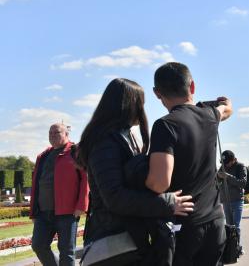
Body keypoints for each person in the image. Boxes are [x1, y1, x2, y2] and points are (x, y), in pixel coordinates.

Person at [77, 78, 194, 265]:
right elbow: (114, 197)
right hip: (114, 243)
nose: (143, 110)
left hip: (124, 239)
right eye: (141, 104)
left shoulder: (120, 136)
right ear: (128, 105)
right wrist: (167, 202)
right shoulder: (105, 142)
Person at [145, 62, 233, 266]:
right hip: (215, 221)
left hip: (184, 225)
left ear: (157, 93)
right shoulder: (210, 115)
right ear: (192, 86)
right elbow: (227, 109)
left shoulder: (165, 125)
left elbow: (160, 183)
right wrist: (225, 103)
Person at [29, 123, 89, 266]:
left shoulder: (76, 151)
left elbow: (86, 179)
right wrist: (33, 211)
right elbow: (36, 184)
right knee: (38, 245)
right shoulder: (42, 156)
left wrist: (82, 205)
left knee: (67, 252)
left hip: (67, 212)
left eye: (57, 132)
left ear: (67, 135)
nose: (52, 135)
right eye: (50, 133)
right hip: (43, 213)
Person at [218, 150, 247, 255]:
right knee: (229, 225)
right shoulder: (223, 167)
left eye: (227, 163)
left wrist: (228, 176)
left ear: (233, 160)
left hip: (237, 200)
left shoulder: (240, 167)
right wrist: (218, 177)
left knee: (236, 225)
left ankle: (237, 247)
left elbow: (243, 183)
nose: (225, 165)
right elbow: (216, 182)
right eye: (223, 163)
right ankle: (230, 247)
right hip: (226, 200)